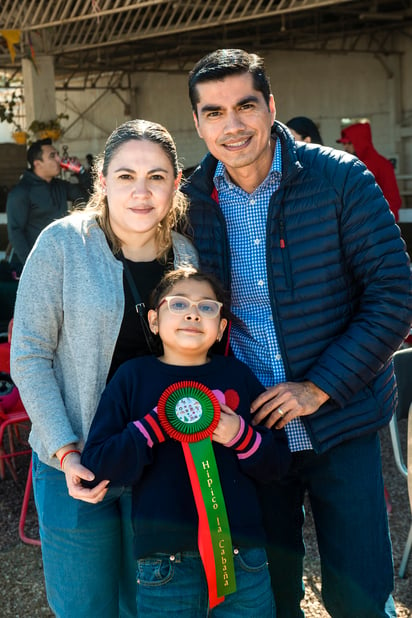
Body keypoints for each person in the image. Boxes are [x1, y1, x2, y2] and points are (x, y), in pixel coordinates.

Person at [182, 48, 412, 617]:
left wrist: (318, 387)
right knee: (273, 594)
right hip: (252, 430)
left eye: (245, 106)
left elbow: (394, 295)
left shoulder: (339, 179)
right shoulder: (192, 201)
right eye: (213, 112)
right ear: (197, 122)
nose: (231, 125)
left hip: (343, 418)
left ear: (271, 106)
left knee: (359, 594)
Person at [10, 119, 199, 618]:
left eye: (157, 177)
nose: (141, 191)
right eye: (125, 176)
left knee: (153, 603)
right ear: (101, 181)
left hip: (159, 462)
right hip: (73, 462)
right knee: (84, 607)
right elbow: (28, 353)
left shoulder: (186, 257)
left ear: (176, 184)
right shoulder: (62, 245)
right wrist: (65, 451)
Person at [82, 266, 291, 618]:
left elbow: (279, 464)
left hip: (244, 557)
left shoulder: (237, 375)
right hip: (164, 563)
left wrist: (240, 436)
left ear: (223, 326)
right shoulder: (132, 378)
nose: (193, 313)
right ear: (153, 320)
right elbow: (98, 463)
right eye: (178, 304)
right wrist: (151, 427)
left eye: (207, 307)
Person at [6, 138, 89, 269]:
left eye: (57, 154)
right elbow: (16, 232)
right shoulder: (21, 192)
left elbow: (89, 197)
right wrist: (32, 266)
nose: (59, 159)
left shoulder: (60, 186)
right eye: (52, 156)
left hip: (63, 261)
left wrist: (81, 172)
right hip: (38, 265)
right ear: (38, 163)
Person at [336, 121, 402, 221]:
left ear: (361, 142)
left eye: (349, 143)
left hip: (377, 226)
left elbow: (393, 199)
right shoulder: (349, 166)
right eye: (344, 143)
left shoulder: (383, 165)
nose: (345, 147)